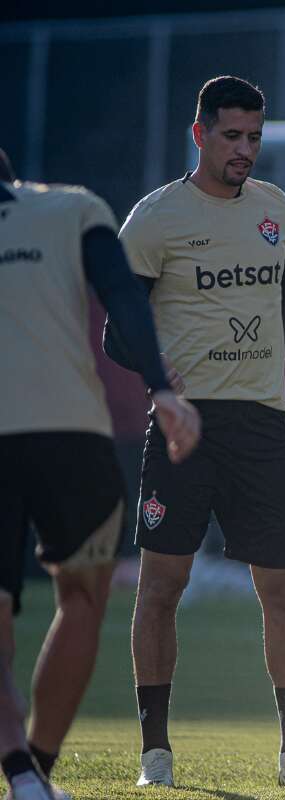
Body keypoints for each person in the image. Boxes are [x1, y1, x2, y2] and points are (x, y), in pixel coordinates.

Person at [103, 76, 285, 790]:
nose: (245, 150)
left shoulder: (279, 213)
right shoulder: (154, 219)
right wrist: (161, 381)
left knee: (284, 591)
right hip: (184, 425)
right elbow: (119, 331)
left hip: (263, 426)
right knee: (163, 584)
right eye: (232, 136)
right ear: (200, 133)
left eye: (255, 137)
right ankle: (155, 754)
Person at [0, 148, 200, 800]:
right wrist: (162, 389)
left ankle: (22, 774)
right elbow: (122, 297)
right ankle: (38, 772)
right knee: (82, 599)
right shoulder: (74, 205)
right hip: (72, 435)